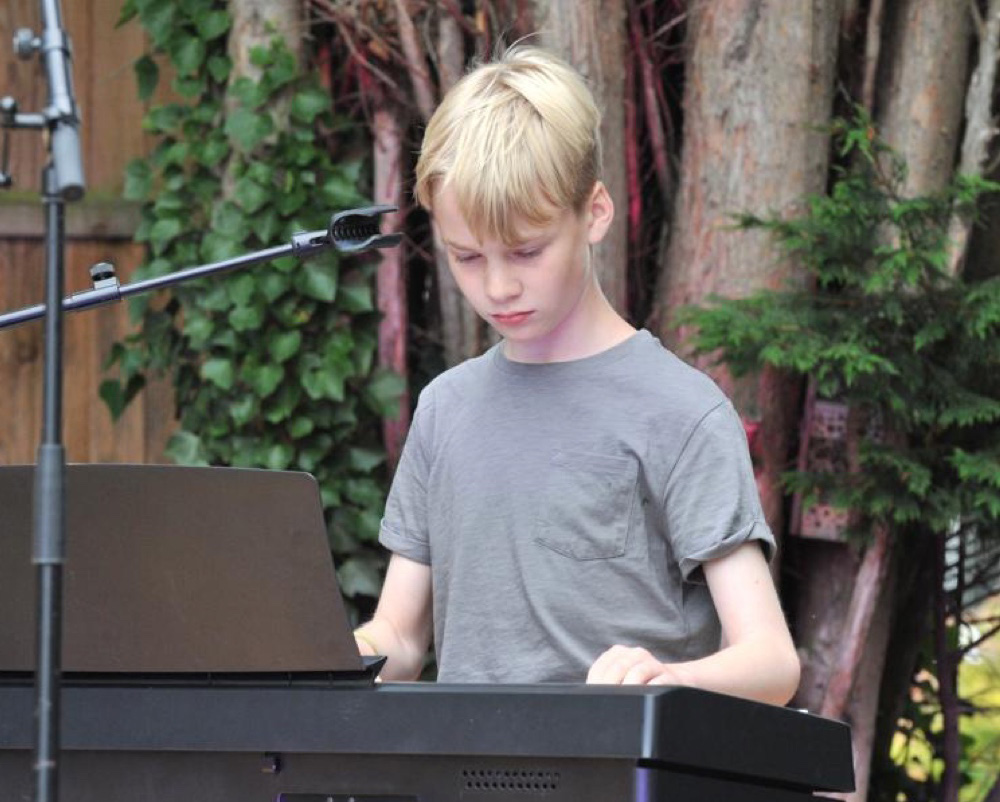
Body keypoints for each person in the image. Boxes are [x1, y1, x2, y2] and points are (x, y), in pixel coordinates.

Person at [352, 44, 800, 705]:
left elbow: (771, 663)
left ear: (593, 212)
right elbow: (403, 636)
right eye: (467, 257)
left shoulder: (680, 411)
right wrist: (331, 658)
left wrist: (671, 680)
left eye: (527, 251)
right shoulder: (444, 409)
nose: (498, 286)